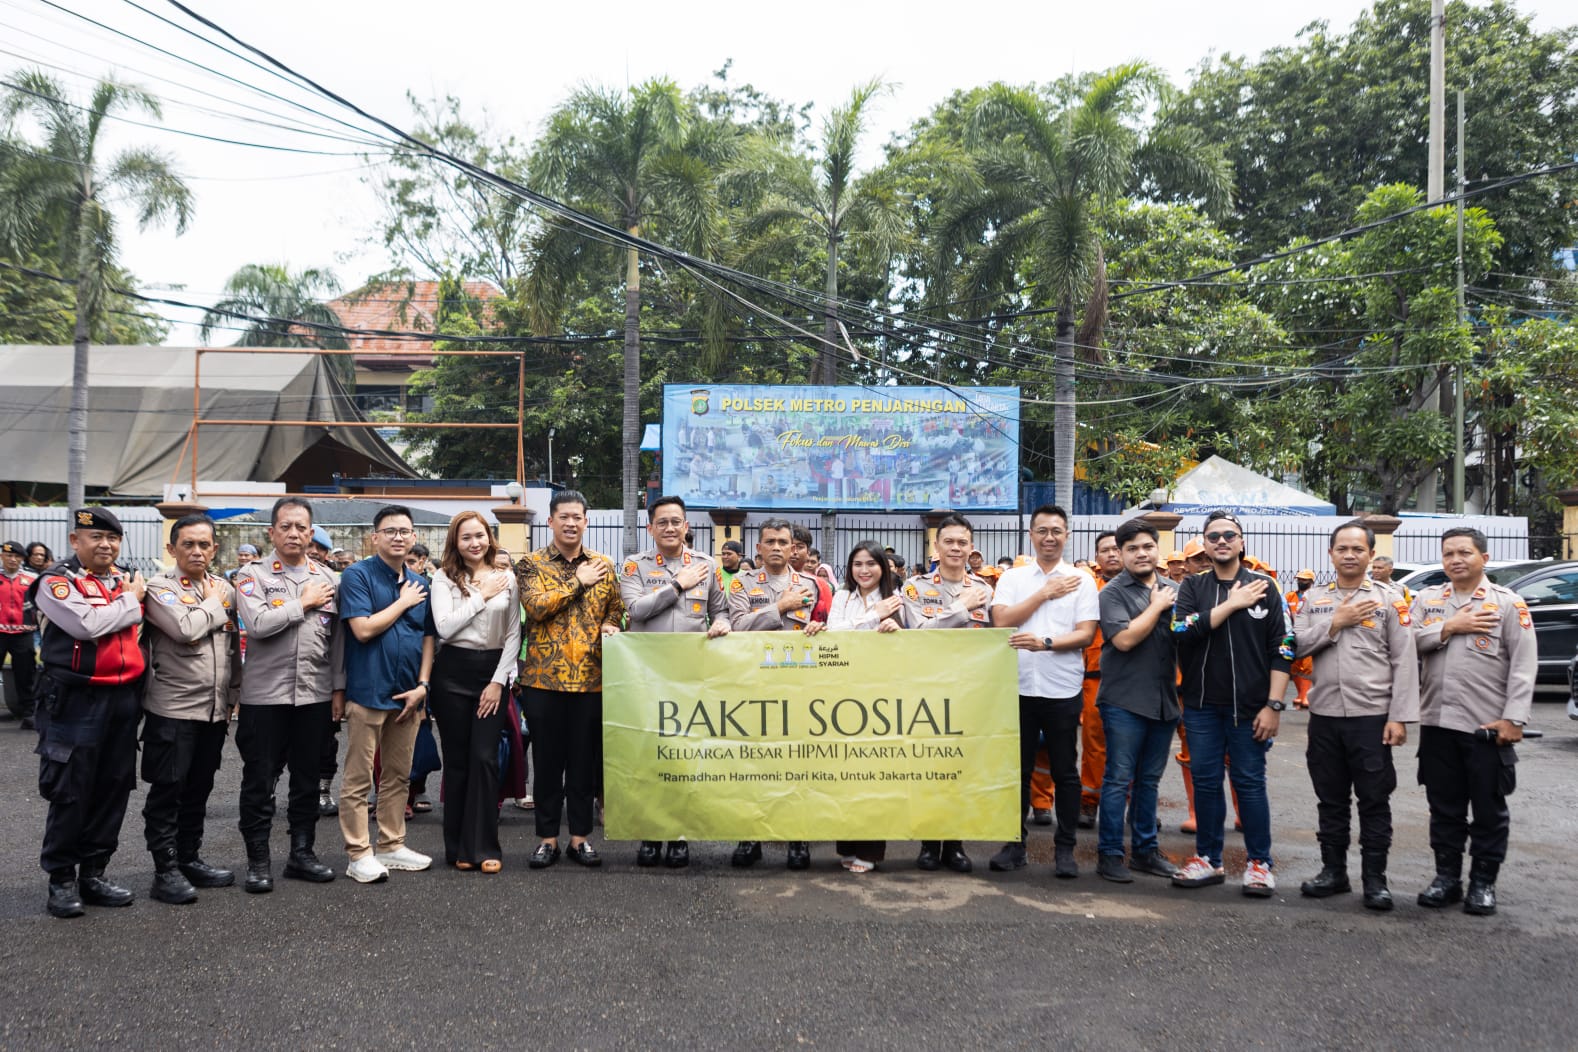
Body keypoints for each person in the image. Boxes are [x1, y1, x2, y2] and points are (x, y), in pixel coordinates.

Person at [1291, 520, 1418, 910]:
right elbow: (1295, 646)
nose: (1349, 555)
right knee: (1330, 799)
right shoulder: (1314, 599)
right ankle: (1333, 872)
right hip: (1325, 715)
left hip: (1372, 717)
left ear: (1370, 554)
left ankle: (1375, 881)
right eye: (1342, 549)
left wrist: (1399, 717)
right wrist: (1335, 623)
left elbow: (1405, 660)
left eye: (1357, 549)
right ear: (1331, 554)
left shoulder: (1390, 599)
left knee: (1374, 800)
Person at [1411, 526, 1537, 916]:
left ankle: (1483, 883)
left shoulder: (1507, 604)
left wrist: (1514, 719)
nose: (1456, 560)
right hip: (1437, 723)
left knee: (1488, 809)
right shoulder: (1428, 600)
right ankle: (1447, 879)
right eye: (1448, 553)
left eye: (1464, 552)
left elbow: (1523, 666)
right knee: (1443, 808)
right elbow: (1406, 643)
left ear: (1483, 557)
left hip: (1486, 727)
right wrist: (1449, 627)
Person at [28, 509, 147, 919]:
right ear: (74, 540)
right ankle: (61, 879)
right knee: (71, 789)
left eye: (112, 538)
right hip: (75, 699)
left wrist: (128, 598)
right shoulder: (57, 581)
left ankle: (94, 873)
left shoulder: (123, 579)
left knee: (114, 786)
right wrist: (131, 600)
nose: (105, 545)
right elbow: (87, 625)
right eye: (95, 536)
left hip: (123, 698)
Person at [1170, 511, 1292, 897]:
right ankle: (1208, 858)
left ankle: (1259, 863)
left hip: (1251, 708)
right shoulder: (1192, 586)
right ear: (1204, 545)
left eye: (1229, 535)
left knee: (1250, 783)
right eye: (1213, 536)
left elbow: (1284, 648)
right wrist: (1231, 604)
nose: (1221, 541)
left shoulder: (1265, 586)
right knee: (1206, 783)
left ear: (1241, 542)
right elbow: (1180, 630)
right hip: (1202, 706)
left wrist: (1274, 705)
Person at [234, 497, 344, 893]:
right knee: (260, 781)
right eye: (285, 526)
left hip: (314, 696)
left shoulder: (329, 578)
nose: (293, 533)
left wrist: (338, 687)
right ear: (272, 533)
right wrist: (304, 603)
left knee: (307, 780)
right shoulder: (252, 575)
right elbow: (258, 624)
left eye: (301, 527)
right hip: (265, 697)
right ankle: (258, 861)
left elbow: (338, 641)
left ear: (311, 533)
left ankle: (301, 853)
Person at [988, 505, 1099, 878]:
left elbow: (1086, 634)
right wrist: (1045, 593)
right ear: (1031, 535)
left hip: (1061, 688)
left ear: (1067, 535)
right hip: (1017, 687)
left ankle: (1065, 848)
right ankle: (1014, 844)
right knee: (1016, 771)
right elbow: (1001, 621)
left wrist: (1046, 643)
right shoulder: (1013, 578)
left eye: (1056, 531)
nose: (1049, 537)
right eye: (1042, 530)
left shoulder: (1082, 580)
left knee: (1065, 771)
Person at [620, 495, 731, 869]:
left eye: (675, 522)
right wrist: (677, 585)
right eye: (662, 522)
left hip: (689, 675)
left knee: (685, 756)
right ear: (650, 527)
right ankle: (651, 833)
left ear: (686, 526)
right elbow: (636, 610)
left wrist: (722, 624)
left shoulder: (707, 565)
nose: (669, 528)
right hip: (646, 675)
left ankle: (680, 834)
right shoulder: (634, 565)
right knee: (650, 755)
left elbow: (720, 610)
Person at [517, 490, 623, 870]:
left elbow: (616, 609)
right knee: (547, 763)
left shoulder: (603, 564)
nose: (571, 523)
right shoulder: (530, 564)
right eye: (564, 516)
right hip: (543, 681)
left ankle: (580, 838)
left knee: (583, 763)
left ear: (586, 521)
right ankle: (547, 839)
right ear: (550, 521)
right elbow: (536, 607)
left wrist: (611, 624)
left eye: (577, 517)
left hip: (591, 681)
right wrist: (578, 581)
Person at [139, 513, 241, 905]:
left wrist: (233, 695)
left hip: (213, 711)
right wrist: (214, 603)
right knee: (168, 791)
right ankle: (164, 871)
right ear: (172, 548)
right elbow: (184, 629)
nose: (197, 551)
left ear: (214, 549)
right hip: (173, 709)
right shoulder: (159, 587)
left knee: (199, 789)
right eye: (188, 544)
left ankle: (189, 858)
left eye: (204, 544)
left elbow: (233, 649)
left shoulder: (224, 587)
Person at [338, 504, 437, 883]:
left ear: (414, 537)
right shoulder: (357, 575)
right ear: (375, 537)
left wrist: (423, 685)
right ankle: (358, 854)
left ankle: (392, 844)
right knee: (359, 778)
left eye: (405, 531)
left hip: (408, 693)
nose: (398, 537)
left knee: (398, 775)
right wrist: (402, 602)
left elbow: (428, 637)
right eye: (390, 531)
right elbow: (362, 629)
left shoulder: (421, 582)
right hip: (368, 690)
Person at [904, 513, 998, 874]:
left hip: (972, 691)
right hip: (929, 689)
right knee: (930, 768)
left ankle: (956, 844)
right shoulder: (914, 587)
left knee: (963, 768)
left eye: (962, 542)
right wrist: (961, 608)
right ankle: (929, 843)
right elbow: (921, 633)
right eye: (949, 541)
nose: (956, 548)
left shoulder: (986, 590)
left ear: (971, 547)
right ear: (936, 545)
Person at [727, 517, 823, 870]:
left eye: (784, 542)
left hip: (798, 684)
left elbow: (827, 628)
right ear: (759, 547)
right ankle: (749, 838)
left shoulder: (811, 584)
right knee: (753, 764)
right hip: (752, 684)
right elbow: (738, 626)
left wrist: (819, 628)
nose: (778, 548)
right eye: (770, 542)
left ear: (794, 547)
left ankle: (798, 839)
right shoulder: (742, 583)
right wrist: (780, 607)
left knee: (798, 763)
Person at [429, 511, 519, 874]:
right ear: (455, 542)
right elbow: (445, 628)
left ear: (489, 538)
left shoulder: (507, 578)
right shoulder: (443, 577)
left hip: (492, 671)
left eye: (479, 535)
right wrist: (481, 595)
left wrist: (498, 682)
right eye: (466, 537)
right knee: (458, 762)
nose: (474, 543)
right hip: (451, 673)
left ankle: (484, 846)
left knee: (485, 758)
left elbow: (513, 634)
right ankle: (458, 848)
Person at [1094, 519, 1182, 882]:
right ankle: (1110, 854)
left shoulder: (1175, 590)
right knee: (1118, 779)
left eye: (1147, 546)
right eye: (1132, 548)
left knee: (1149, 781)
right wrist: (1157, 606)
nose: (1141, 554)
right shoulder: (1112, 593)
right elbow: (1125, 640)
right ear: (1121, 553)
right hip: (1124, 701)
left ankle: (1145, 852)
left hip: (1164, 701)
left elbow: (1188, 636)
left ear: (1157, 549)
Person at [827, 540, 907, 874]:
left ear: (883, 568)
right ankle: (847, 846)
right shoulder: (842, 597)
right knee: (844, 773)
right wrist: (873, 616)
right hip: (843, 690)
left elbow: (910, 641)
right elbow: (834, 632)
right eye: (857, 564)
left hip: (881, 693)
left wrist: (895, 627)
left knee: (873, 774)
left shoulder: (896, 599)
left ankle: (871, 851)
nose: (864, 570)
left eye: (871, 564)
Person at [1076, 530, 1122, 828]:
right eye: (1105, 550)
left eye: (1117, 549)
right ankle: (1089, 801)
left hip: (1133, 679)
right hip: (1094, 677)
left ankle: (1134, 802)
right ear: (1097, 558)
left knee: (1133, 744)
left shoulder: (1145, 588)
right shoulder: (1088, 590)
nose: (1112, 554)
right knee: (1094, 743)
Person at [1, 540, 39, 730]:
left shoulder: (32, 579)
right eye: (9, 555)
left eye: (17, 556)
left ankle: (29, 714)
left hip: (23, 633)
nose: (12, 560)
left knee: (25, 675)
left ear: (22, 559)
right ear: (2, 556)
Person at [789, 525, 834, 624]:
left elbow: (827, 622)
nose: (794, 552)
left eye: (800, 547)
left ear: (808, 552)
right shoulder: (772, 580)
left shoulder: (820, 585)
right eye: (791, 546)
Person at [1286, 569, 1317, 709]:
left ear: (1311, 581)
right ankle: (1300, 694)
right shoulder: (1290, 596)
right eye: (1299, 579)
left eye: (1304, 579)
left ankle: (1305, 696)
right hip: (1291, 636)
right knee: (1294, 666)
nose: (1300, 581)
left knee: (1307, 667)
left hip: (1308, 635)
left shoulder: (1315, 596)